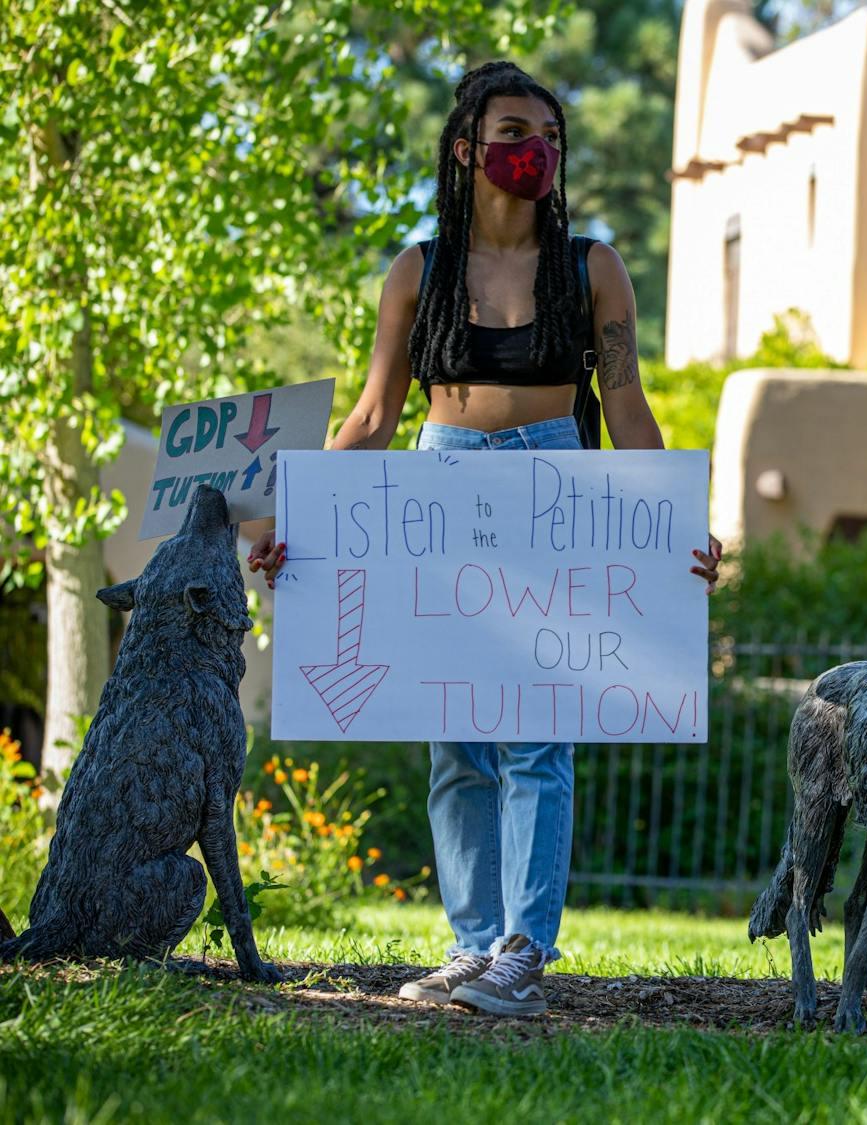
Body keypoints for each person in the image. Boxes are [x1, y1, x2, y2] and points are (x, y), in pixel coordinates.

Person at [247, 61, 721, 1017]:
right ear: (466, 147)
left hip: (555, 482)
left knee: (539, 736)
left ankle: (522, 950)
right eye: (511, 131)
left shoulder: (594, 268)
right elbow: (377, 413)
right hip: (440, 480)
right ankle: (470, 946)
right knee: (455, 736)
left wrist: (677, 521)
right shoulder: (416, 271)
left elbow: (625, 403)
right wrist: (293, 515)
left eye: (545, 132)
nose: (531, 150)